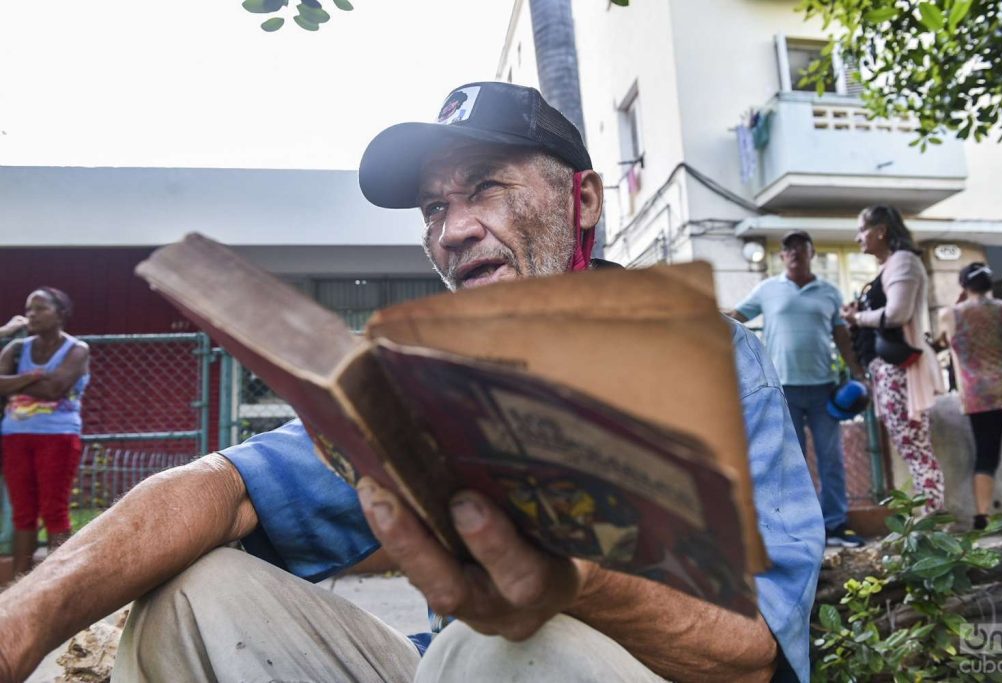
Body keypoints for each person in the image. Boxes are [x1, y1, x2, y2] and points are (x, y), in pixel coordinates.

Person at [0, 83, 824, 683]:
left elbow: (752, 651)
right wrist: (25, 615)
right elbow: (226, 488)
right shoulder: (426, 380)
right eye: (433, 208)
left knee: (516, 641)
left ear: (583, 200)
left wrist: (579, 580)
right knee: (195, 594)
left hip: (597, 668)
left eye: (487, 188)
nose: (455, 229)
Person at [729, 231, 865, 548]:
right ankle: (797, 530)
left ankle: (836, 525)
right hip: (783, 388)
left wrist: (857, 372)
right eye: (788, 249)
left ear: (811, 253)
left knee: (831, 458)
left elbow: (842, 337)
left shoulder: (829, 292)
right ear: (782, 256)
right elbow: (736, 317)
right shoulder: (768, 289)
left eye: (800, 249)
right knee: (791, 461)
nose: (794, 254)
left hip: (822, 388)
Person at [841, 206, 945, 514]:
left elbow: (897, 313)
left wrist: (857, 317)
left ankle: (931, 520)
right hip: (890, 370)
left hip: (900, 369)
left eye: (862, 230)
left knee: (914, 446)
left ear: (881, 230)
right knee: (910, 445)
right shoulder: (892, 265)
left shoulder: (903, 262)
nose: (858, 237)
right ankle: (928, 517)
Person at [0, 288, 90, 577]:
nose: (31, 315)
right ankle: (17, 587)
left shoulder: (76, 350)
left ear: (61, 314)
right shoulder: (17, 349)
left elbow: (56, 389)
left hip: (58, 437)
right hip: (15, 436)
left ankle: (57, 582)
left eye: (40, 308)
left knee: (54, 509)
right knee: (22, 513)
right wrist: (32, 376)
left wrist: (15, 383)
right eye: (28, 309)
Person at [938, 263, 1002, 531]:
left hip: (978, 395)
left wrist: (957, 302)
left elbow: (943, 342)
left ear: (964, 287)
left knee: (985, 456)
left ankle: (982, 518)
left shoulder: (951, 314)